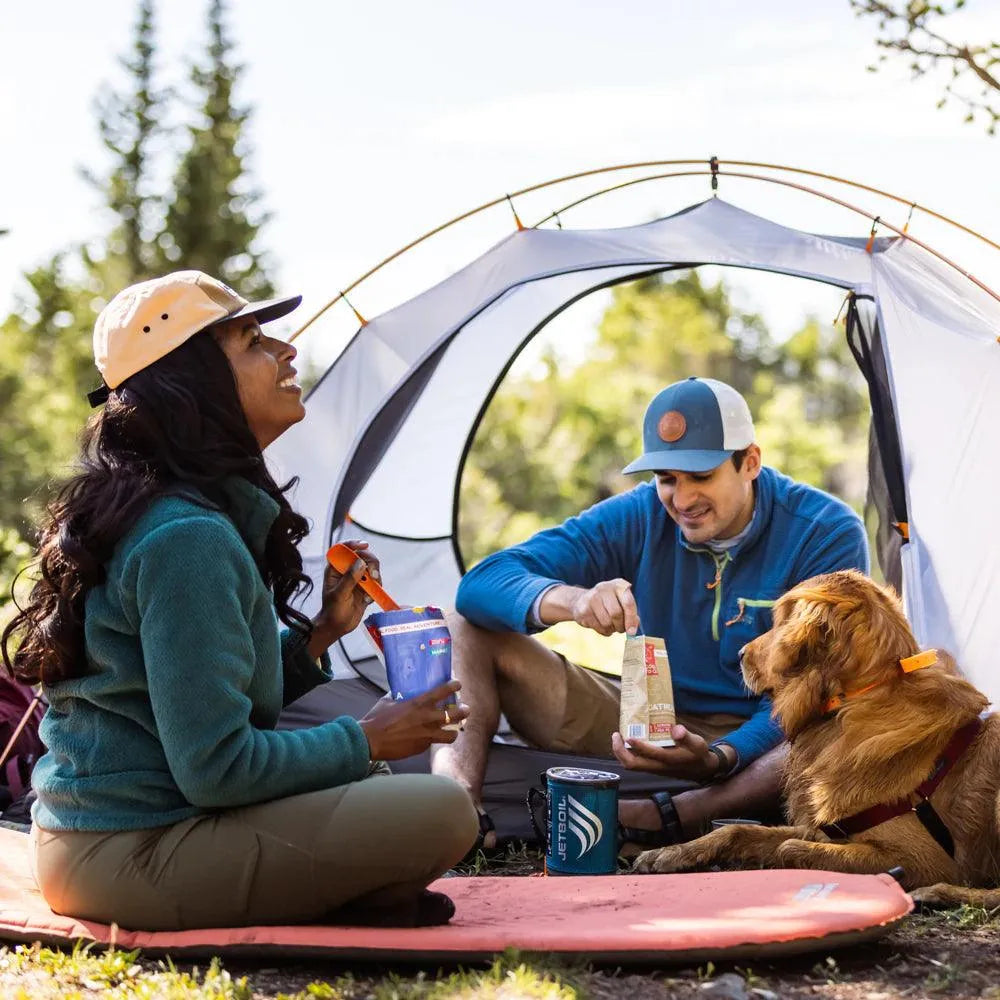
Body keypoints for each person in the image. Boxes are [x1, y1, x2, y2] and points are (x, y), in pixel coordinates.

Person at [1, 270, 478, 931]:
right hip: (128, 852)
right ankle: (355, 894)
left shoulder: (183, 516)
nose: (286, 352)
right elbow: (217, 768)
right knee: (442, 811)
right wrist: (369, 736)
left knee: (382, 798)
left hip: (110, 838)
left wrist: (317, 638)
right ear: (191, 383)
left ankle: (356, 892)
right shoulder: (186, 538)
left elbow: (203, 701)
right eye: (254, 340)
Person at [432, 376, 869, 850]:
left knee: (838, 718)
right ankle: (453, 816)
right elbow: (480, 584)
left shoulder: (825, 531)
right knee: (463, 628)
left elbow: (816, 689)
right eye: (666, 479)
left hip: (770, 734)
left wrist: (721, 757)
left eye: (701, 476)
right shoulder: (640, 515)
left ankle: (680, 814)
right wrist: (574, 601)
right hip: (645, 718)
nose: (681, 500)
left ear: (750, 462)